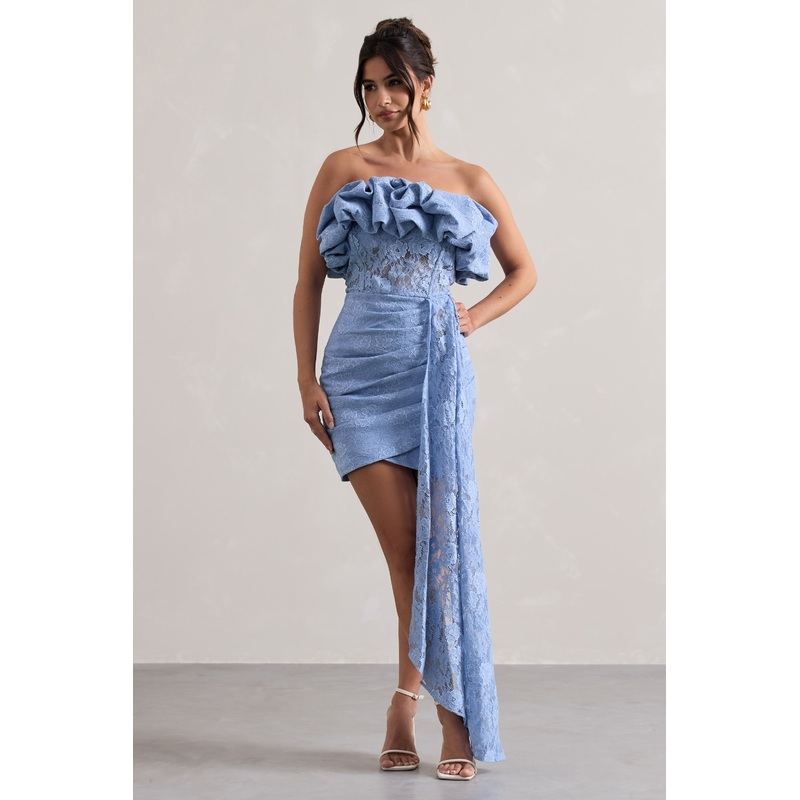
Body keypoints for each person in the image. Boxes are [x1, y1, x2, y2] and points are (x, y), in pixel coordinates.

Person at [293, 17, 537, 781]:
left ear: (426, 85)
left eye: (395, 83)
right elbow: (307, 282)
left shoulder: (469, 179)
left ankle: (423, 706)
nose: (382, 99)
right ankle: (432, 708)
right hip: (358, 376)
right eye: (369, 86)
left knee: (440, 546)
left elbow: (524, 271)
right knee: (406, 549)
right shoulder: (343, 168)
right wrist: (306, 379)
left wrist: (474, 317)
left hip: (435, 372)